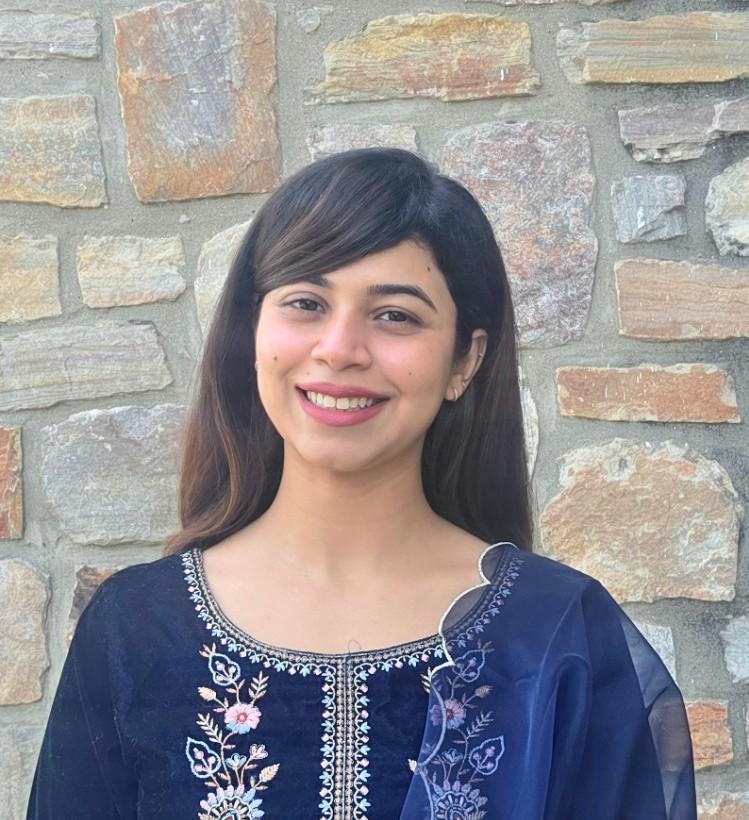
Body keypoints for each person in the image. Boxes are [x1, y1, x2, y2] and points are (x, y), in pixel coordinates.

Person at [26, 147, 697, 819]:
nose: (340, 349)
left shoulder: (555, 632)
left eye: (395, 315)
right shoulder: (135, 630)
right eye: (305, 303)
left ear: (465, 359)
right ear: (252, 332)